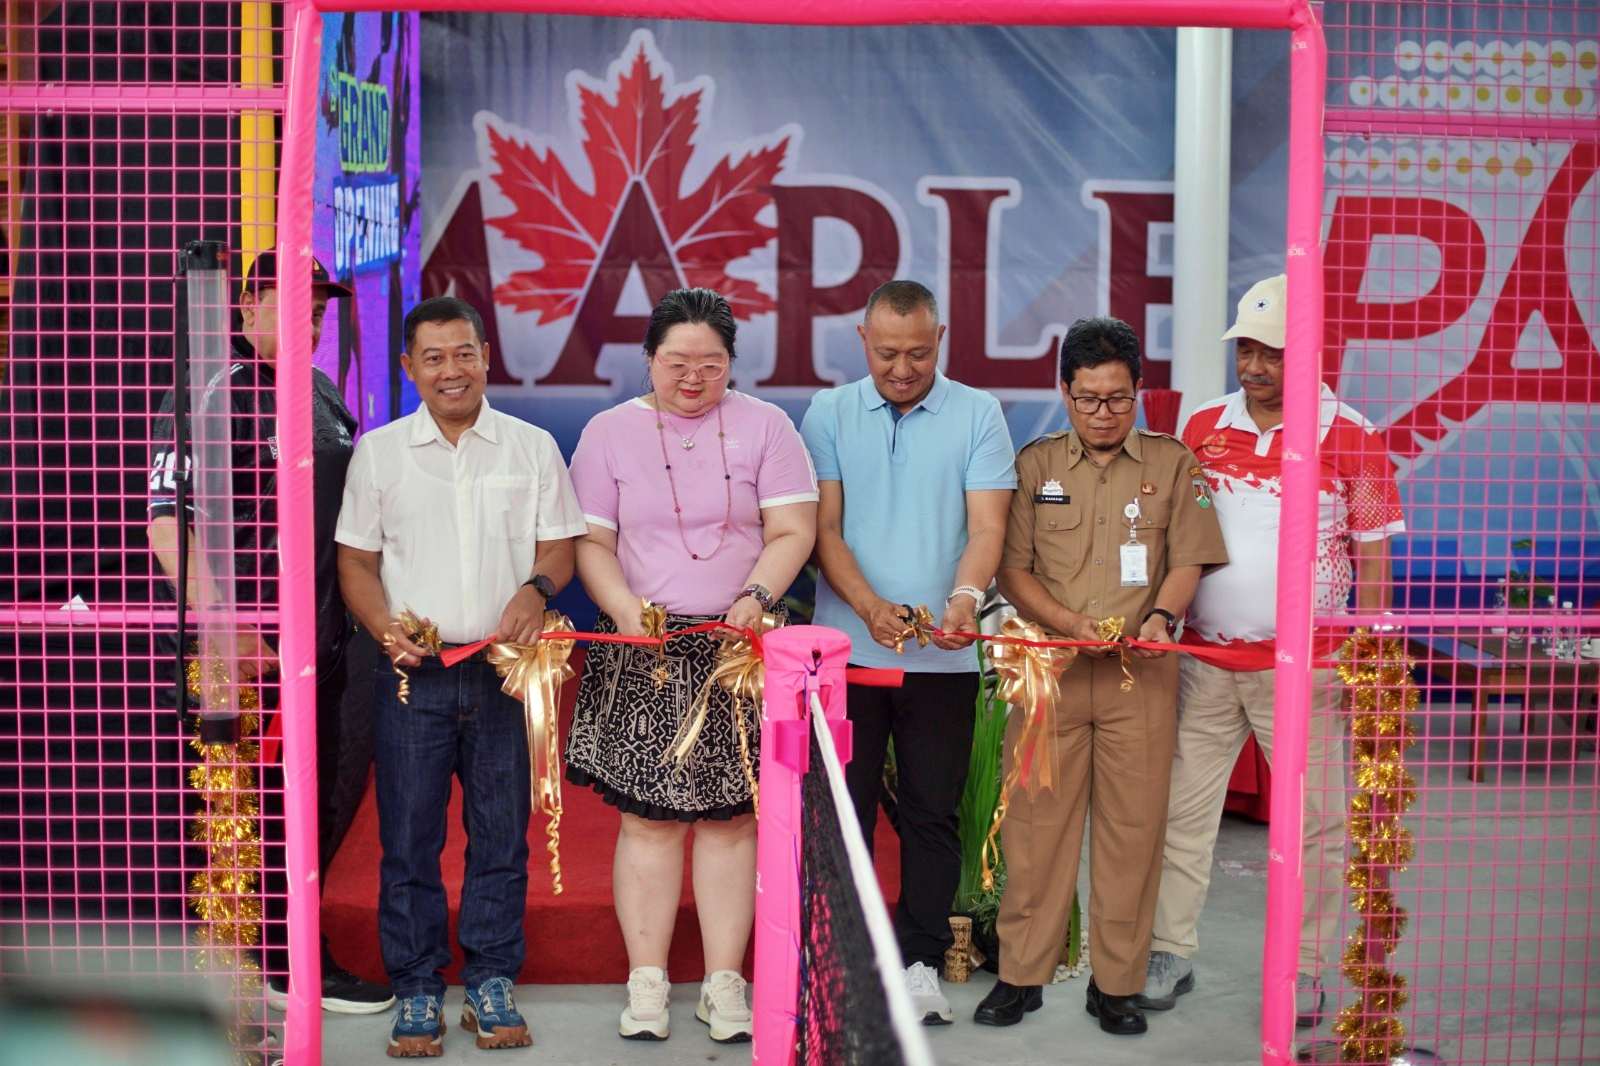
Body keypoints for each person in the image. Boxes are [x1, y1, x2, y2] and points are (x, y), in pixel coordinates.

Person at [1137, 274, 1405, 1028]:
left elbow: (1377, 559)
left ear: (1310, 351)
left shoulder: (1353, 434)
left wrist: (1372, 663)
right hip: (1206, 663)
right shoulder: (1203, 426)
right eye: (1246, 349)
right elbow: (1174, 538)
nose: (1253, 366)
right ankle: (1170, 948)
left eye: (1272, 353)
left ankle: (1311, 970)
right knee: (1184, 813)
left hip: (1309, 672)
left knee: (1315, 824)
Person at [335, 295, 587, 1056]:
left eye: (465, 354)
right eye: (434, 358)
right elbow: (356, 561)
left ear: (486, 357)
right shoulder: (379, 452)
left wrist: (536, 591)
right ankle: (415, 984)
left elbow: (559, 548)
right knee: (408, 837)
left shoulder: (530, 446)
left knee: (500, 835)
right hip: (413, 678)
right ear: (409, 367)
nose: (452, 370)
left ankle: (488, 979)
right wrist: (385, 633)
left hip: (504, 674)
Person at [565, 287, 817, 1045]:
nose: (693, 377)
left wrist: (757, 595)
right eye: (677, 362)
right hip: (641, 647)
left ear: (731, 364)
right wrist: (618, 610)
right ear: (649, 360)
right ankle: (646, 981)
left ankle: (723, 981)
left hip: (736, 646)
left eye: (710, 363)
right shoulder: (608, 433)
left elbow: (792, 528)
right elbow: (591, 543)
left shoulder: (768, 427)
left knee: (732, 822)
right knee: (647, 821)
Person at [145, 251, 393, 1015]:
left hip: (323, 643)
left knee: (315, 803)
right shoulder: (210, 389)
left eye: (319, 307)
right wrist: (223, 625)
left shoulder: (316, 389)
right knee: (239, 813)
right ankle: (250, 978)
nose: (311, 318)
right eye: (292, 302)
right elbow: (166, 523)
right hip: (243, 651)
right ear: (246, 304)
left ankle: (295, 955)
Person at [976, 316, 1228, 1036]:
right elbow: (1012, 569)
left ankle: (1116, 985)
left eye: (1118, 398)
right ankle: (1021, 977)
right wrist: (1064, 622)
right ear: (1064, 392)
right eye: (1088, 398)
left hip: (1137, 678)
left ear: (1139, 391)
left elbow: (1189, 557)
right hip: (1049, 673)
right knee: (1033, 831)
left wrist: (1161, 620)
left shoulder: (1173, 464)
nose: (1103, 413)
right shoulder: (1036, 466)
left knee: (1132, 832)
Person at [799, 279, 1015, 1025]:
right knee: (846, 814)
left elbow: (987, 529)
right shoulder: (827, 413)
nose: (902, 368)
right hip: (847, 656)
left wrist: (962, 603)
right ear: (862, 340)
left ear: (942, 338)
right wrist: (868, 608)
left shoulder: (979, 414)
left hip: (943, 660)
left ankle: (919, 961)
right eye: (888, 353)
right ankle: (845, 959)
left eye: (918, 354)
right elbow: (824, 529)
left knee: (931, 814)